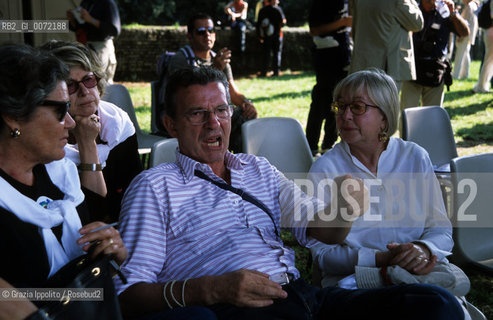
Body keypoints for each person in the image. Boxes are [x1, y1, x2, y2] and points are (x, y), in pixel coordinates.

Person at [114, 66, 464, 320]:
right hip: (235, 309)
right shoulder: (154, 187)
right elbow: (128, 295)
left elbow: (323, 230)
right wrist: (212, 289)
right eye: (197, 114)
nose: (213, 123)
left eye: (221, 110)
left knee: (436, 305)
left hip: (303, 298)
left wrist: (342, 209)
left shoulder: (257, 169)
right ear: (170, 124)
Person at [0, 43, 126, 316]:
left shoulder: (62, 176)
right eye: (59, 111)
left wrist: (112, 256)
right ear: (13, 118)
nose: (70, 122)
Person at [308, 68, 454, 287]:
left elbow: (441, 230)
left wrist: (422, 249)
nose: (345, 115)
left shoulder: (414, 157)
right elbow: (322, 255)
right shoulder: (324, 169)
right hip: (354, 281)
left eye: (357, 107)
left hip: (417, 272)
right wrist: (380, 259)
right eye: (340, 106)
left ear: (384, 118)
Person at [41, 40, 143, 223]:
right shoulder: (44, 139)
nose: (84, 92)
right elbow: (91, 216)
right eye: (70, 85)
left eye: (88, 80)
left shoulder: (117, 124)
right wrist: (87, 143)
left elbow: (136, 197)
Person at [157, 13, 257, 154]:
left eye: (211, 30)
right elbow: (188, 98)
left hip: (209, 113)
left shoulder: (219, 60)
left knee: (244, 116)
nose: (207, 35)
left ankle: (238, 164)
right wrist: (215, 69)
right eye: (201, 32)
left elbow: (233, 93)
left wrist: (247, 104)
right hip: (187, 114)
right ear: (190, 36)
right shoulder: (181, 60)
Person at [401, 0, 469, 108]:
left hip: (435, 71)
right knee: (407, 114)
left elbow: (465, 32)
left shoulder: (444, 12)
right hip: (413, 69)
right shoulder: (413, 9)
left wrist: (453, 14)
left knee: (432, 116)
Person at [305, 0, 352, 155]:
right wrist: (342, 23)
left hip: (344, 57)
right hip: (326, 60)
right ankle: (311, 144)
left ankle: (329, 144)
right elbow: (314, 30)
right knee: (320, 102)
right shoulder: (320, 4)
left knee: (338, 102)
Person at [349, 0, 424, 91]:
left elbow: (355, 29)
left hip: (361, 63)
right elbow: (417, 23)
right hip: (387, 67)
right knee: (386, 104)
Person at [66, 0, 121, 83]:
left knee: (103, 83)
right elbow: (80, 27)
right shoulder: (85, 2)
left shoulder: (108, 3)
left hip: (102, 48)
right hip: (86, 47)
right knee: (89, 83)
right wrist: (73, 20)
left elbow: (114, 30)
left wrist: (91, 20)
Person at [257, 0, 286, 77]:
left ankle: (264, 72)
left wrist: (260, 36)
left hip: (266, 36)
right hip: (277, 35)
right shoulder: (278, 9)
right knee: (277, 54)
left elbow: (258, 24)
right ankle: (276, 72)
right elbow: (283, 22)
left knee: (266, 54)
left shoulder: (262, 10)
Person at [452, 0, 479, 80]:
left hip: (465, 34)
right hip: (470, 34)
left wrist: (461, 35)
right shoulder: (474, 5)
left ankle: (455, 75)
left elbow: (466, 22)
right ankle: (465, 74)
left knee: (459, 54)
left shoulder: (470, 6)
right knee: (466, 53)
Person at [473, 0, 493, 93]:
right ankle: (481, 86)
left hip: (490, 32)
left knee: (489, 61)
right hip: (491, 32)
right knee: (488, 61)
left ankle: (483, 85)